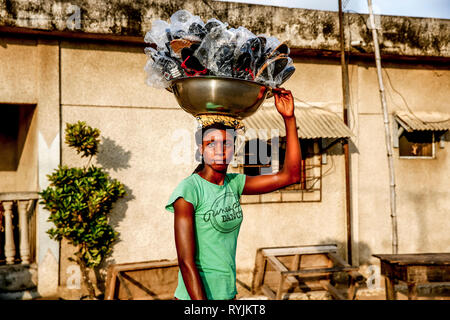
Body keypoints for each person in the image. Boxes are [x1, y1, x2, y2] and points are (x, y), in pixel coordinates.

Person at [165, 88, 301, 300]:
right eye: (211, 143)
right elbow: (185, 261)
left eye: (226, 143)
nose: (219, 150)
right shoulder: (189, 191)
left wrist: (289, 118)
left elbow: (290, 176)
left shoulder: (234, 184)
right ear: (200, 149)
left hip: (227, 294)